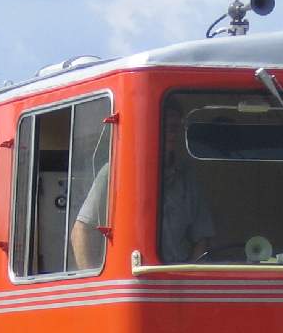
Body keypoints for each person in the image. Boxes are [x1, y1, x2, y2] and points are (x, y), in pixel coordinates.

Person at [72, 114, 215, 267]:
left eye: (175, 128)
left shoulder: (186, 178)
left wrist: (190, 279)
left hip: (177, 281)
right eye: (164, 127)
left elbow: (202, 238)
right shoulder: (114, 173)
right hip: (132, 276)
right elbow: (81, 231)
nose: (171, 133)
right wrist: (95, 287)